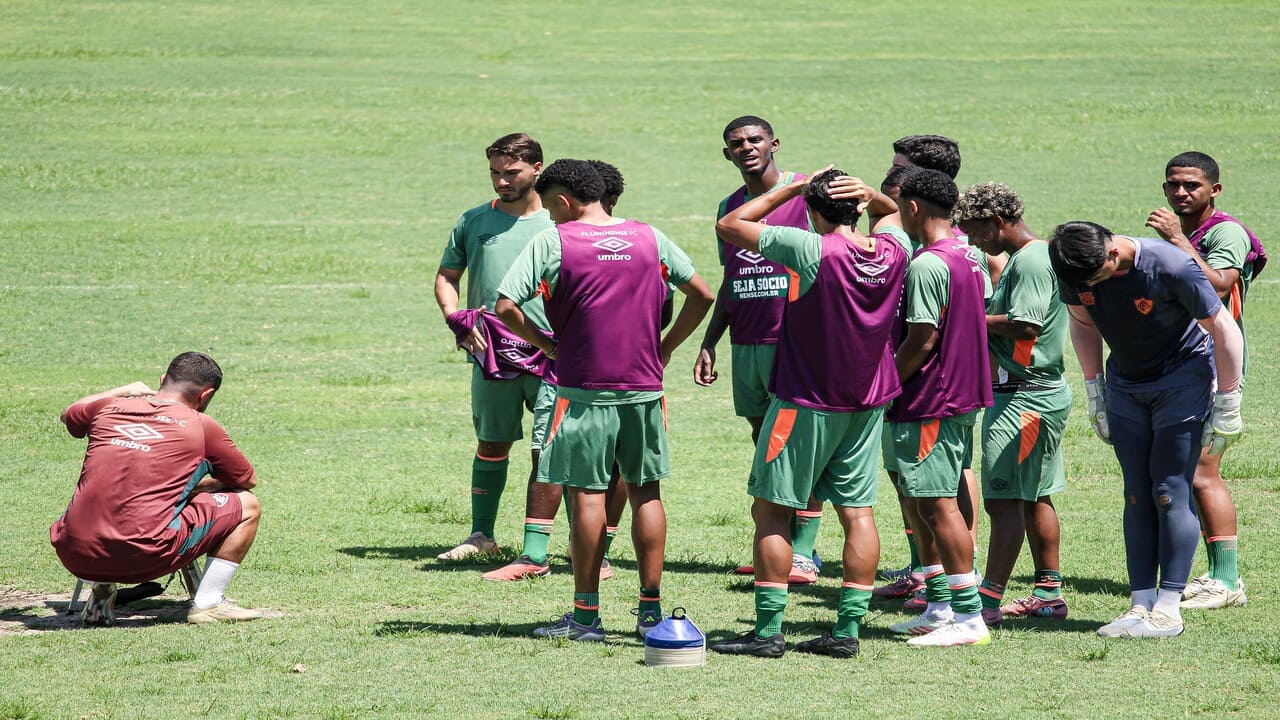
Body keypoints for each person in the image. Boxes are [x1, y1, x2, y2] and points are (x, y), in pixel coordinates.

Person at [495, 159, 713, 642]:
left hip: (581, 391)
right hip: (645, 388)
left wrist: (548, 345)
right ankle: (651, 612)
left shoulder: (554, 241)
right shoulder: (650, 237)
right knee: (646, 493)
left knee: (587, 496)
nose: (551, 216)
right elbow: (701, 294)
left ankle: (586, 617)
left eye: (551, 208)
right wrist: (666, 347)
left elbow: (505, 306)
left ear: (564, 201)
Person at [707, 169, 907, 658]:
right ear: (858, 207)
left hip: (804, 402)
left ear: (812, 212)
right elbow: (893, 214)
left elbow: (730, 225)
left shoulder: (810, 247)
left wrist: (792, 188)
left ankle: (767, 631)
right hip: (867, 402)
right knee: (857, 513)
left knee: (771, 510)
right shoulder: (892, 250)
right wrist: (871, 195)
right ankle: (847, 632)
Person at [1048, 220, 1244, 638]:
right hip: (1125, 385)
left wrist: (1229, 400)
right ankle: (1140, 605)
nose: (1091, 289)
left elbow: (1223, 327)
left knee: (1170, 490)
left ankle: (1169, 610)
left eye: (1096, 278)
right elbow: (1083, 323)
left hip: (1181, 381)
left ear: (1112, 253)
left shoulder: (1171, 266)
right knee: (1136, 492)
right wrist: (1095, 389)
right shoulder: (1074, 267)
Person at [482, 160, 631, 582]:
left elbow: (506, 304)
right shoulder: (632, 239)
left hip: (592, 374)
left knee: (607, 464)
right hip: (615, 373)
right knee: (557, 457)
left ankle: (586, 554)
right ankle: (546, 554)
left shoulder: (614, 240)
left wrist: (552, 344)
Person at [695, 116, 824, 585]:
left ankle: (803, 553)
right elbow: (731, 278)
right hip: (746, 343)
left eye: (755, 139)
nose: (746, 147)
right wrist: (710, 340)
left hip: (795, 341)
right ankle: (780, 546)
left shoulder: (806, 194)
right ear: (726, 153)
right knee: (765, 444)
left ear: (774, 143)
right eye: (737, 143)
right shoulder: (729, 207)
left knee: (797, 445)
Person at [50, 352, 264, 624]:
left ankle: (101, 593)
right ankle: (209, 603)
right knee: (247, 504)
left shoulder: (108, 407)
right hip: (144, 558)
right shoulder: (200, 425)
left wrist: (123, 390)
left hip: (75, 553)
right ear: (206, 395)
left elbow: (68, 413)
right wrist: (199, 487)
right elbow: (245, 481)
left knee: (111, 497)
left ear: (163, 379)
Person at [1145, 151, 1263, 610]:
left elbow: (1218, 285)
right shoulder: (1192, 233)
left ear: (1214, 189)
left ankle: (1228, 580)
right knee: (1185, 470)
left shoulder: (1224, 232)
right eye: (1173, 184)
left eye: (1191, 185)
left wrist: (1175, 240)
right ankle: (1215, 572)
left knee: (1201, 471)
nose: (1180, 192)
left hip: (1218, 365)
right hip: (1184, 364)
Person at [882, 168, 993, 647]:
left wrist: (884, 384)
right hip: (962, 392)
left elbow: (922, 339)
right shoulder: (971, 254)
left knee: (938, 505)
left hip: (931, 398)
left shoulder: (928, 263)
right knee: (924, 502)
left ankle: (968, 619)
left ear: (912, 207)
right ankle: (940, 606)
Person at [952, 183, 1071, 626]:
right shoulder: (1030, 257)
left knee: (1004, 501)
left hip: (1025, 398)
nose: (973, 240)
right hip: (1032, 395)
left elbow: (1025, 325)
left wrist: (965, 318)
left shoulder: (1031, 260)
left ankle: (987, 601)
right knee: (1034, 497)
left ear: (998, 222)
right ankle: (1048, 594)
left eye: (975, 231)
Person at [434, 132, 554, 562]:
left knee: (551, 451)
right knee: (491, 444)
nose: (502, 181)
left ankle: (547, 545)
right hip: (490, 354)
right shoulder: (473, 221)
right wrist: (455, 317)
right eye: (494, 173)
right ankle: (481, 535)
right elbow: (447, 276)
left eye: (512, 172)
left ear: (537, 168)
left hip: (552, 355)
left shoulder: (560, 220)